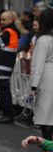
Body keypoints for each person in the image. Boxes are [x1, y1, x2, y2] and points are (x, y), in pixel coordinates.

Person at [0, 11, 20, 124]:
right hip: (4, 65)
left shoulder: (8, 32)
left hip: (3, 65)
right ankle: (6, 113)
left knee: (3, 90)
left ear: (11, 20)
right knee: (3, 90)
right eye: (1, 19)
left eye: (4, 19)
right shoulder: (10, 31)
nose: (1, 22)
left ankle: (7, 114)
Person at [29, 8, 53, 140]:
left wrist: (33, 86)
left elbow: (38, 65)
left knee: (46, 116)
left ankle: (49, 149)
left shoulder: (43, 40)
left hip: (47, 78)